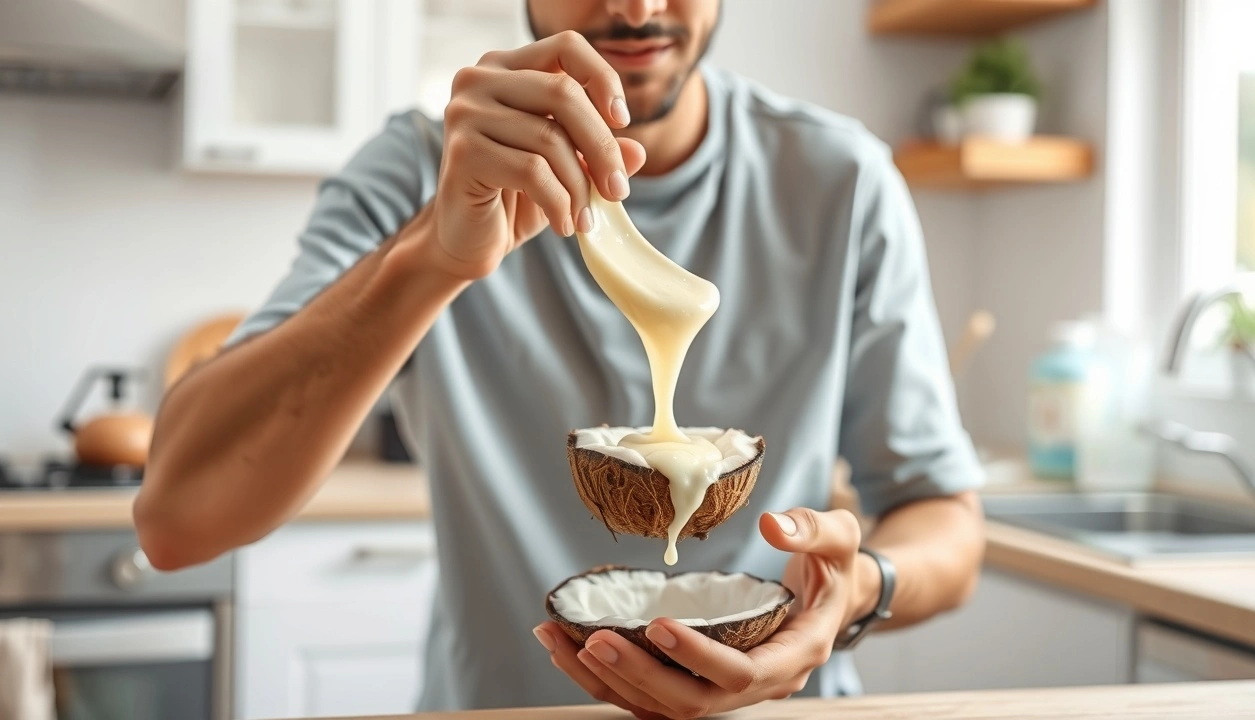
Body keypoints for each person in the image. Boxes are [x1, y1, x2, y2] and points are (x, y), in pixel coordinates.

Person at [134, 0, 987, 716]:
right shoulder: (424, 172)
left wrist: (857, 589)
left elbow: (944, 522)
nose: (638, 7)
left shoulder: (842, 182)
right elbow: (178, 521)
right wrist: (434, 252)